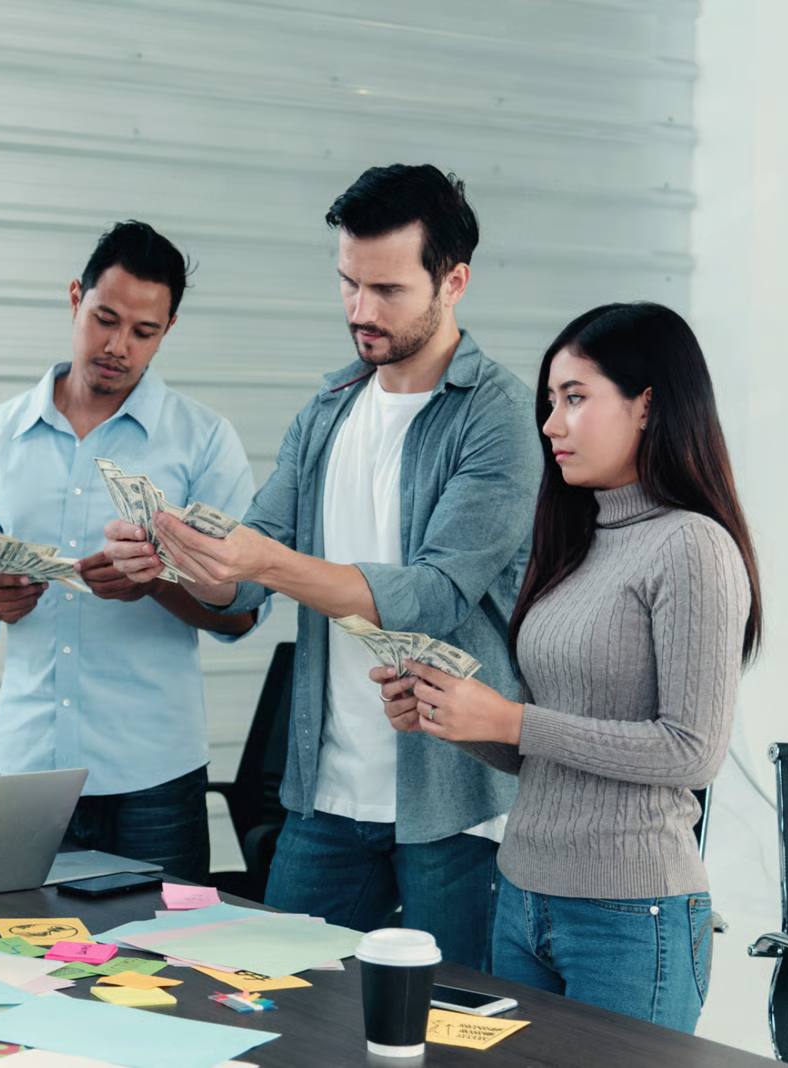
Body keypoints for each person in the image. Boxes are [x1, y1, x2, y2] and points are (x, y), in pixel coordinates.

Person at [105, 165, 540, 969]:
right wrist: (172, 558)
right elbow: (240, 578)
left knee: (451, 1034)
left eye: (387, 290)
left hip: (453, 804)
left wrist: (266, 558)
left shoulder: (502, 416)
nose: (360, 312)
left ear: (455, 281)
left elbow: (435, 596)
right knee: (280, 1010)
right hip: (325, 800)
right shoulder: (328, 409)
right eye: (347, 283)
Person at [372, 302, 760, 1031]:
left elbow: (692, 751)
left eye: (575, 398)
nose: (550, 423)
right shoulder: (579, 538)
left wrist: (510, 717)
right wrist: (454, 719)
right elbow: (547, 753)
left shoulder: (692, 547)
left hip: (628, 916)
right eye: (550, 402)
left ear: (647, 404)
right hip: (520, 898)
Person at [0, 221, 260, 883]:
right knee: (10, 962)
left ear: (167, 331)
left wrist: (159, 582)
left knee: (166, 974)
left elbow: (241, 612)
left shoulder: (203, 442)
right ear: (75, 298)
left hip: (154, 776)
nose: (118, 346)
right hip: (22, 769)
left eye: (144, 331)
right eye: (105, 318)